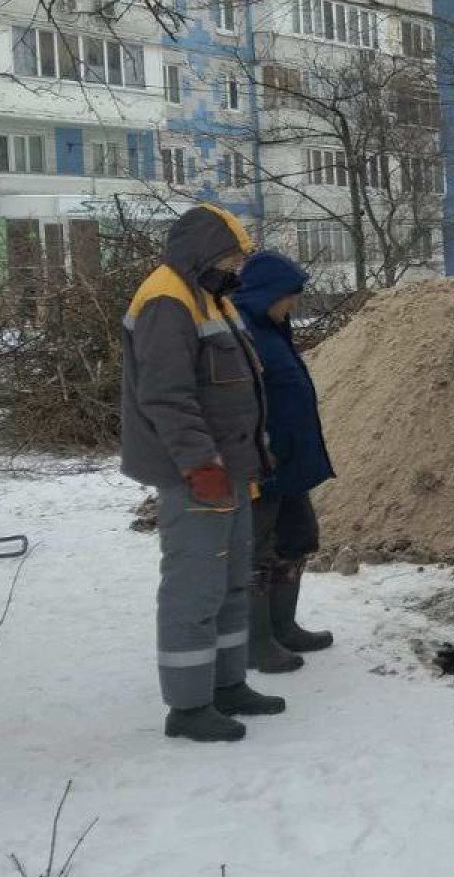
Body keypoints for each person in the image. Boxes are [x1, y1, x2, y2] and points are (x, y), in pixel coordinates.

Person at [121, 206, 286, 741]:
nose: (236, 266)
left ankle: (227, 684)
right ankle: (189, 708)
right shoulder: (167, 300)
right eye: (231, 255)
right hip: (197, 475)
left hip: (232, 468)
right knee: (194, 587)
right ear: (205, 251)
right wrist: (199, 464)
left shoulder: (209, 294)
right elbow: (167, 396)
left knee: (231, 581)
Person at [230, 250, 336, 671]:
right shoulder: (243, 333)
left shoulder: (273, 330)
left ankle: (283, 626)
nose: (293, 304)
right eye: (288, 296)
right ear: (265, 294)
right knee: (258, 550)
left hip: (290, 461)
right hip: (262, 463)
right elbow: (237, 402)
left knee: (298, 537)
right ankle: (256, 642)